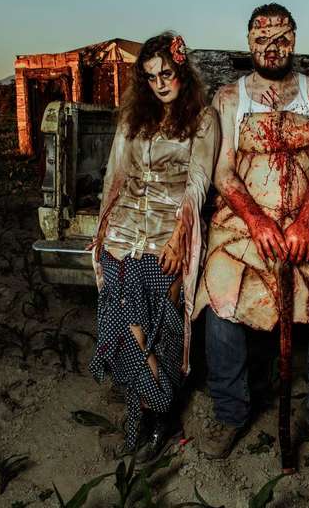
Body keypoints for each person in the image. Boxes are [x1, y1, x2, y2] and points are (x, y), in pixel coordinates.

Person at [194, 3, 309, 469]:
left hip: (308, 222)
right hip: (244, 225)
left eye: (282, 39)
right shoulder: (229, 98)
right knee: (221, 304)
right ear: (249, 43)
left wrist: (306, 220)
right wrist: (257, 221)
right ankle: (229, 413)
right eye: (262, 40)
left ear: (294, 40)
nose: (272, 48)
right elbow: (223, 172)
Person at [88, 32, 220, 458]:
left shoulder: (203, 118)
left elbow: (199, 182)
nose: (160, 83)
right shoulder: (134, 117)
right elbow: (115, 174)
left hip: (168, 234)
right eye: (150, 77)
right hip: (123, 233)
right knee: (128, 328)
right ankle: (146, 410)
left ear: (182, 72)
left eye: (166, 73)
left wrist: (181, 237)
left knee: (162, 331)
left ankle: (161, 414)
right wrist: (102, 233)